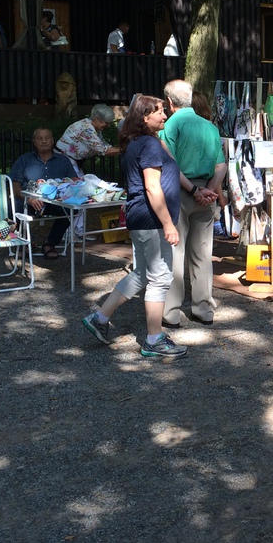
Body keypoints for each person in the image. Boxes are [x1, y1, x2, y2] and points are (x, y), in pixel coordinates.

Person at [81, 95, 193, 359]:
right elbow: (152, 188)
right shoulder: (149, 145)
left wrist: (195, 190)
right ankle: (154, 339)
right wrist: (168, 224)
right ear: (145, 117)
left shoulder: (136, 142)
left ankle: (99, 318)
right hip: (151, 220)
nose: (165, 115)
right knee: (160, 278)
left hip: (140, 218)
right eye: (159, 112)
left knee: (142, 273)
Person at [159, 79, 224, 327]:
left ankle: (171, 312)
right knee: (203, 253)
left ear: (169, 101)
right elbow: (221, 166)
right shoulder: (210, 127)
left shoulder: (170, 125)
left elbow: (170, 165)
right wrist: (208, 190)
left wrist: (194, 190)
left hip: (179, 192)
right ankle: (204, 309)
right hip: (205, 191)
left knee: (175, 252)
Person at [56, 104, 122, 237]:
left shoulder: (93, 128)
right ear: (97, 119)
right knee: (76, 196)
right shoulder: (86, 129)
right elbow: (103, 150)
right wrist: (125, 149)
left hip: (73, 162)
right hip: (66, 162)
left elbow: (104, 145)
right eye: (105, 122)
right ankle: (70, 232)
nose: (107, 125)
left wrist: (120, 148)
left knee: (81, 195)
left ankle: (76, 230)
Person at [8, 127, 74, 260]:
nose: (44, 141)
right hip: (29, 202)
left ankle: (50, 243)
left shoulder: (63, 161)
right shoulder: (24, 160)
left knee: (72, 209)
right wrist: (28, 199)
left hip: (55, 201)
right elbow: (14, 186)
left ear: (52, 140)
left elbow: (73, 182)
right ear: (34, 141)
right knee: (14, 206)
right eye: (40, 138)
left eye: (47, 138)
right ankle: (27, 243)